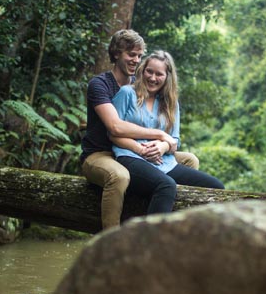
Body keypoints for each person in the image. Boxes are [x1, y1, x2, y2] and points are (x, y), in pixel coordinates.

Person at [80, 29, 199, 230]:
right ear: (116, 53)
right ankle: (111, 237)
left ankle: (163, 209)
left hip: (136, 151)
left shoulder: (142, 84)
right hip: (100, 153)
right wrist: (160, 135)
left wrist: (161, 146)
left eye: (139, 55)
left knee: (190, 160)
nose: (136, 60)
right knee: (119, 176)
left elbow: (158, 123)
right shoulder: (100, 85)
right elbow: (115, 126)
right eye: (131, 54)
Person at [110, 50, 224, 215]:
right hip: (129, 157)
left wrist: (163, 147)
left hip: (164, 162)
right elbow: (113, 133)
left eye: (159, 74)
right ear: (142, 70)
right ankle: (155, 239)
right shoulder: (127, 93)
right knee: (166, 185)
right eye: (149, 71)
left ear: (167, 77)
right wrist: (141, 149)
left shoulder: (171, 103)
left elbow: (174, 140)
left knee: (216, 187)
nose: (153, 78)